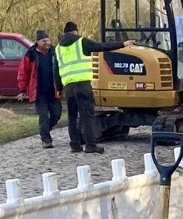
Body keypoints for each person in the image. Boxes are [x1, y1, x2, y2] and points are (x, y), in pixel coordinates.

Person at [55, 21, 134, 154]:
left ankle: (75, 145)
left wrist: (58, 88)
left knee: (72, 117)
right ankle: (91, 146)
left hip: (68, 87)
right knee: (87, 116)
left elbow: (55, 69)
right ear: (76, 31)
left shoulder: (58, 48)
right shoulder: (81, 42)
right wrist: (122, 44)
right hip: (83, 85)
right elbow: (101, 46)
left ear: (64, 32)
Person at [17, 30, 62, 149]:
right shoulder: (30, 55)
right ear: (38, 42)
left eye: (48, 40)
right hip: (38, 92)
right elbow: (23, 73)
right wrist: (22, 90)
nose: (47, 42)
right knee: (43, 116)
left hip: (53, 90)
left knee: (56, 114)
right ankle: (46, 140)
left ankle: (44, 131)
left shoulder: (55, 52)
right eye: (44, 41)